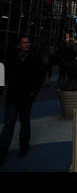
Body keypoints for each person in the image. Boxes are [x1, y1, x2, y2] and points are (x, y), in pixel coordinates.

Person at [0, 36, 44, 165]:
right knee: (9, 124)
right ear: (19, 45)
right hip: (12, 96)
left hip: (26, 97)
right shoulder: (12, 58)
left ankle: (24, 147)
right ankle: (2, 152)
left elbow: (39, 76)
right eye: (24, 43)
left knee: (25, 122)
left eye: (28, 42)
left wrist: (33, 92)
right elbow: (5, 75)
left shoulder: (35, 58)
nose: (27, 44)